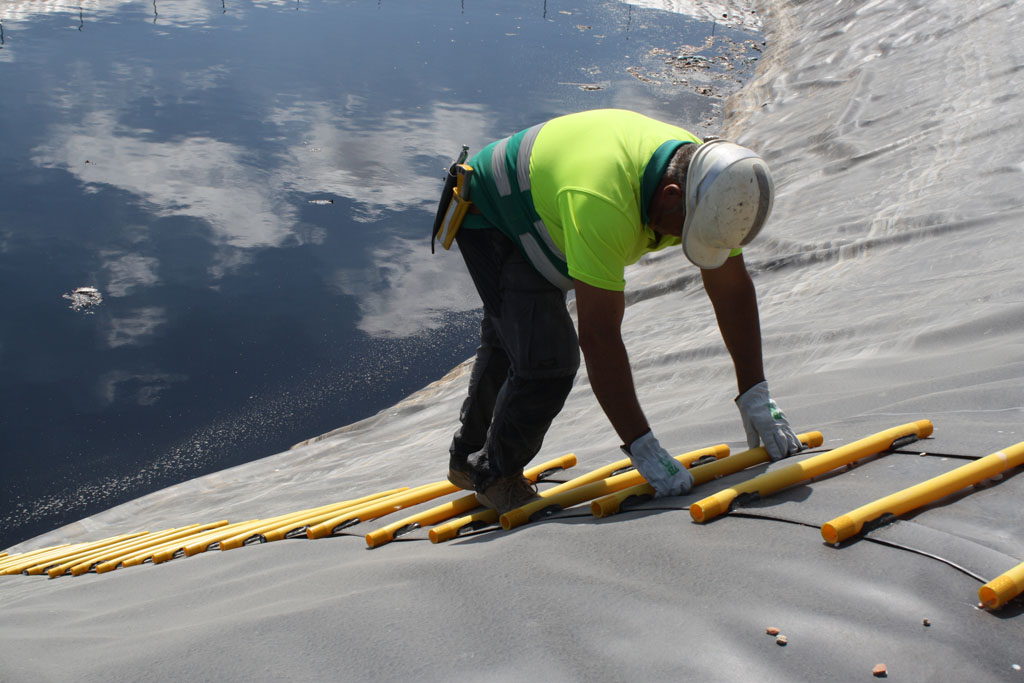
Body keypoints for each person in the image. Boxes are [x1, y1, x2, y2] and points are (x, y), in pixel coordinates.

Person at [436, 108, 801, 514]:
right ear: (670, 196)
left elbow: (731, 288)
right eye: (686, 232)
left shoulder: (713, 183)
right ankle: (494, 474)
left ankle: (466, 458)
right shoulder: (602, 202)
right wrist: (642, 445)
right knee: (546, 360)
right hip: (493, 214)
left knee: (514, 339)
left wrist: (756, 394)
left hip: (549, 205)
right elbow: (599, 337)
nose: (685, 243)